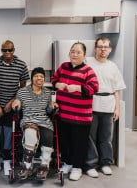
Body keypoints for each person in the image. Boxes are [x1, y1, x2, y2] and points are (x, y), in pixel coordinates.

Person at [51, 42, 99, 181]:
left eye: (78, 52)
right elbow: (54, 79)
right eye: (72, 51)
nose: (75, 54)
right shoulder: (63, 67)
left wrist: (78, 88)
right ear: (69, 53)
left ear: (84, 55)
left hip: (81, 116)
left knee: (79, 143)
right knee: (66, 142)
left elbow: (94, 88)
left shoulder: (88, 70)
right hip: (64, 114)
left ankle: (77, 168)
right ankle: (68, 163)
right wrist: (57, 84)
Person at [85, 37, 126, 178]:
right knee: (91, 137)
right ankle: (90, 164)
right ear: (95, 48)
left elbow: (117, 89)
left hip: (108, 106)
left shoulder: (113, 66)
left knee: (106, 138)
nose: (103, 49)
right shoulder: (87, 62)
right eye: (100, 46)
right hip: (92, 105)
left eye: (106, 47)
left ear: (110, 49)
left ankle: (105, 164)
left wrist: (117, 109)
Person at [0, 40, 30, 176]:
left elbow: (22, 87)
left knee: (7, 134)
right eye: (4, 50)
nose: (7, 53)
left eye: (10, 50)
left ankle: (6, 161)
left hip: (11, 107)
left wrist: (11, 102)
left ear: (14, 50)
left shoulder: (21, 65)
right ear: (1, 50)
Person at [12, 67, 59, 181]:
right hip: (28, 120)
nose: (39, 78)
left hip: (44, 121)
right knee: (30, 132)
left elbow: (48, 111)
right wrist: (16, 104)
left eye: (42, 76)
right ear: (32, 78)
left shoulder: (47, 93)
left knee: (48, 135)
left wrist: (52, 107)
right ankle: (27, 166)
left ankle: (44, 166)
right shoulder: (22, 91)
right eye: (36, 76)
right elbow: (17, 103)